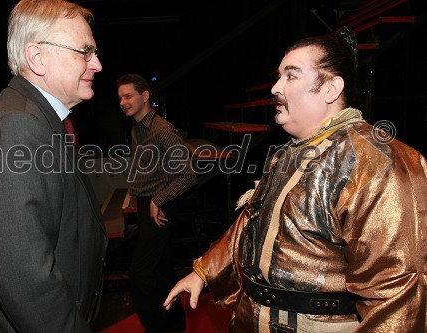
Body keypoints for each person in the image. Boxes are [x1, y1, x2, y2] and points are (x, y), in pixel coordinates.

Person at [164, 27, 426, 332]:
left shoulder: (379, 162)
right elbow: (252, 221)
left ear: (331, 88)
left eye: (291, 75)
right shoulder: (288, 153)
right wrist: (204, 272)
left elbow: (399, 292)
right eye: (279, 76)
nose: (276, 87)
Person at [0, 0, 107, 332]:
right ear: (37, 58)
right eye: (84, 52)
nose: (96, 64)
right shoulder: (17, 128)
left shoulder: (35, 119)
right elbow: (26, 283)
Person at [117, 73, 196, 333]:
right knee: (161, 275)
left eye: (128, 96)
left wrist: (157, 199)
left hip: (159, 211)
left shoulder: (162, 130)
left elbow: (187, 175)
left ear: (145, 96)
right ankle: (174, 327)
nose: (123, 102)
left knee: (140, 277)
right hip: (146, 207)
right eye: (120, 98)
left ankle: (159, 328)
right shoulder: (136, 129)